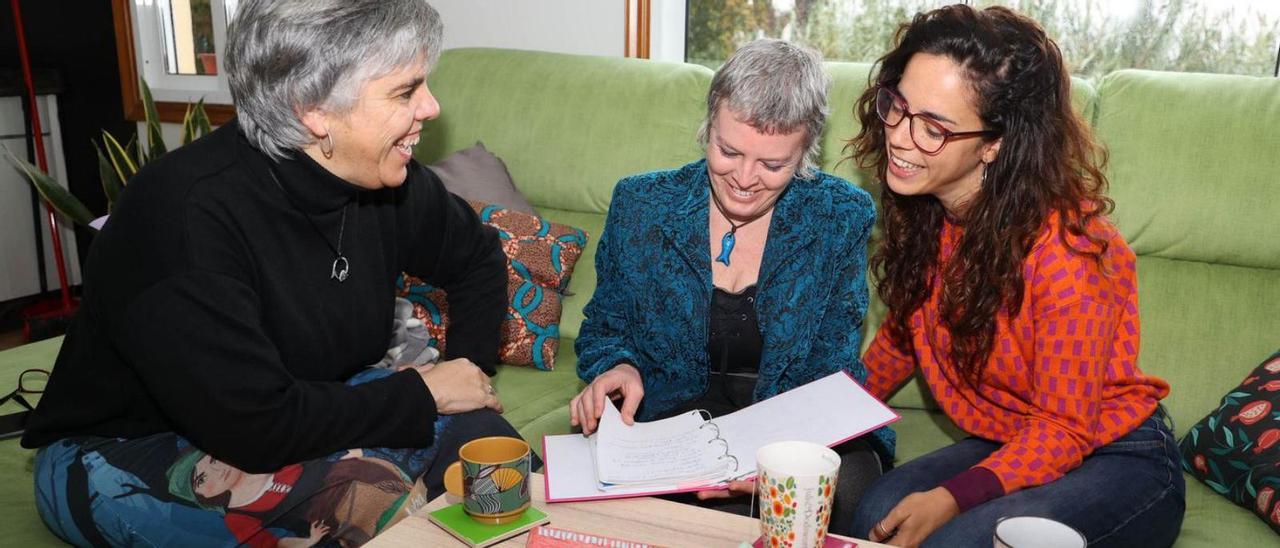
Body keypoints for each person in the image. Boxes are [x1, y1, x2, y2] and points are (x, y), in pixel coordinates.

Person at [22, 1, 532, 545]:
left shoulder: (387, 180)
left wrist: (466, 374)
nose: (431, 107)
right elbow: (254, 426)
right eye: (405, 91)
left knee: (492, 457)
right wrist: (424, 395)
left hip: (298, 403)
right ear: (313, 109)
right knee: (368, 502)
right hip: (127, 446)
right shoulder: (184, 216)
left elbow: (477, 258)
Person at [845, 5, 1185, 547]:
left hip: (1117, 454)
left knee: (953, 543)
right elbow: (900, 342)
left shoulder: (1071, 251)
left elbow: (1064, 428)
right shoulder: (926, 206)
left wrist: (952, 498)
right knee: (875, 513)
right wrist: (815, 422)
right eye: (898, 107)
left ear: (994, 142)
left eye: (934, 126)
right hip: (1010, 438)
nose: (901, 138)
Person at [570, 39, 894, 530]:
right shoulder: (641, 205)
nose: (744, 179)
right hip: (668, 422)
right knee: (618, 510)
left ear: (806, 152)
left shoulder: (839, 215)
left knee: (837, 497)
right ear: (708, 128)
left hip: (797, 422)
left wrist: (780, 463)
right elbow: (605, 325)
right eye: (728, 151)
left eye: (773, 164)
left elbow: (831, 362)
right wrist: (618, 367)